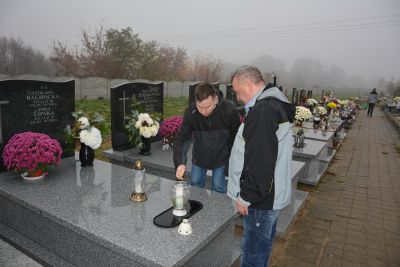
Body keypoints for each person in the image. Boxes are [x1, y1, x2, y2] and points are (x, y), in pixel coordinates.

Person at [227, 65, 294, 266]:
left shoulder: (263, 111)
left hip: (259, 201)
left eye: (237, 91)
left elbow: (260, 161)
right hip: (268, 197)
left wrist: (246, 197)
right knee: (261, 251)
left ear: (248, 84)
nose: (237, 98)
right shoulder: (273, 103)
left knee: (253, 254)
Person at [173, 82, 240, 193]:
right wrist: (180, 162)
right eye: (200, 107)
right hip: (199, 157)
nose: (203, 111)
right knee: (195, 184)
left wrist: (231, 161)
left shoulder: (229, 109)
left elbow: (235, 137)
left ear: (215, 99)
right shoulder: (192, 111)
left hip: (221, 157)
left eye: (207, 107)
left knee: (218, 187)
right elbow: (182, 138)